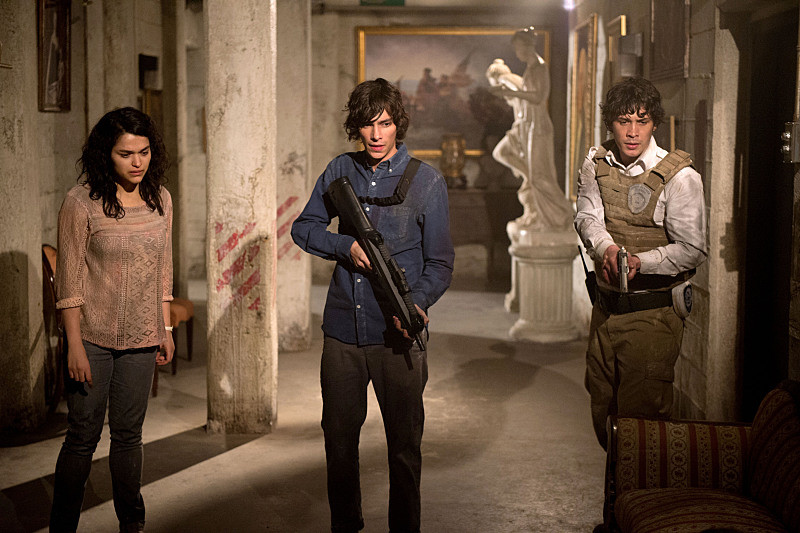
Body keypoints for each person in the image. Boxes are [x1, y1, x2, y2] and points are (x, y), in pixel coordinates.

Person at [291, 78, 454, 533]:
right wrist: (344, 245)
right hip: (343, 331)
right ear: (356, 127)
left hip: (397, 333)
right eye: (367, 124)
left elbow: (441, 263)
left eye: (384, 123)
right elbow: (303, 227)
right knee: (339, 443)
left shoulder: (427, 181)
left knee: (404, 448)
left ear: (398, 123)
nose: (376, 134)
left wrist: (416, 304)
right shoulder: (339, 169)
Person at [50, 107, 174, 533]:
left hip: (142, 337)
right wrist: (74, 345)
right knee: (82, 436)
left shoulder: (160, 199)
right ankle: (63, 525)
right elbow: (69, 281)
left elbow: (163, 270)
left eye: (144, 152)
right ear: (106, 154)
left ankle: (132, 523)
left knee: (128, 436)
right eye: (126, 154)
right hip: (92, 337)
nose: (137, 162)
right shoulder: (80, 202)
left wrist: (164, 328)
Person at [574, 77, 707, 449]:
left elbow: (692, 248)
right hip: (605, 309)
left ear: (654, 123)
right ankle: (617, 489)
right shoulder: (596, 163)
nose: (632, 132)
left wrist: (639, 262)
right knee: (602, 408)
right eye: (623, 121)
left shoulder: (680, 177)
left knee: (643, 428)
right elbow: (587, 216)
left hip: (652, 314)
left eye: (642, 121)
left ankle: (641, 487)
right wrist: (607, 249)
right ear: (610, 123)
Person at [486, 28, 573, 231]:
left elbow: (538, 97)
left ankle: (562, 214)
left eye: (518, 48)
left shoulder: (539, 67)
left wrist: (510, 92)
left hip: (538, 125)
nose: (517, 53)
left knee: (540, 176)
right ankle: (544, 217)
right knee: (535, 176)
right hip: (529, 125)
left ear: (527, 46)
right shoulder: (531, 68)